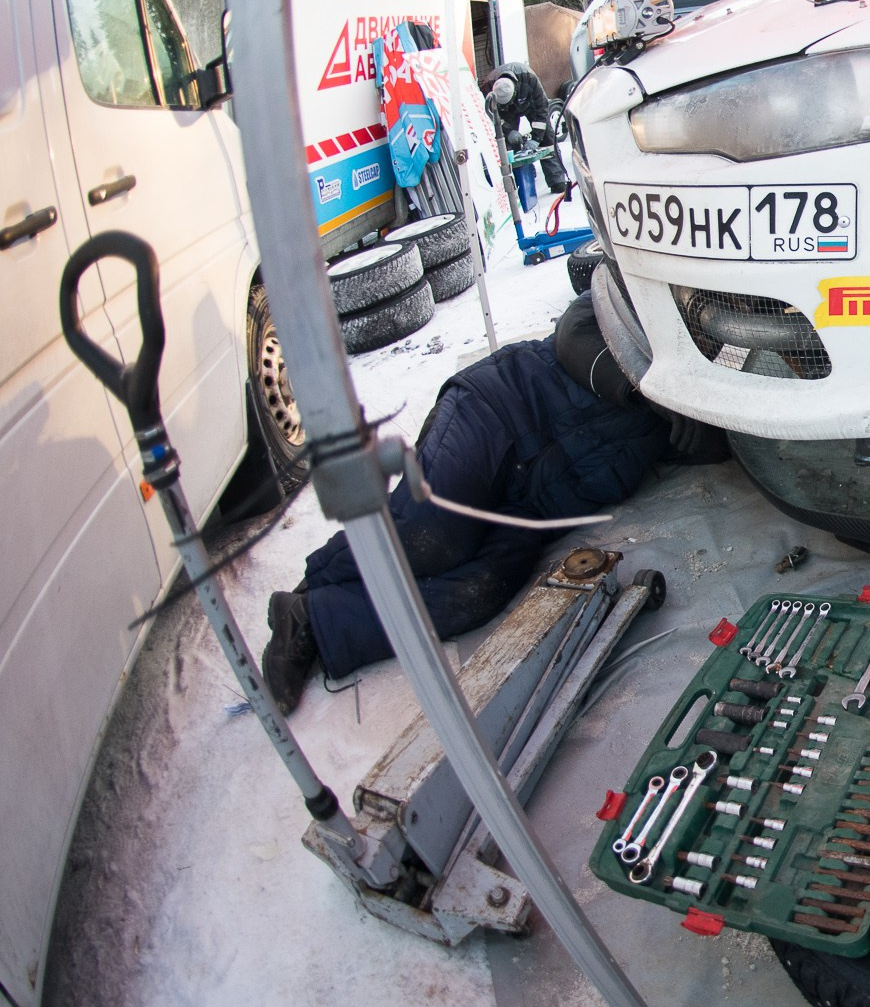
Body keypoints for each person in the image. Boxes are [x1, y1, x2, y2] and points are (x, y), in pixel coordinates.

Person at [261, 295, 713, 713]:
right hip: (496, 411)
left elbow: (741, 444)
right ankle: (319, 575)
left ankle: (312, 619)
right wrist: (644, 389)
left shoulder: (705, 394)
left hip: (531, 505)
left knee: (477, 591)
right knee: (436, 536)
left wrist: (705, 417)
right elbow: (576, 327)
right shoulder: (651, 282)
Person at [482, 62, 571, 210]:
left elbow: (542, 109)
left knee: (547, 140)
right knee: (508, 148)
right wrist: (508, 130)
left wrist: (536, 139)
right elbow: (489, 115)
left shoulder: (529, 79)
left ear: (515, 90)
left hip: (531, 105)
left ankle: (557, 182)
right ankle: (518, 184)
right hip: (504, 113)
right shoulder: (487, 88)